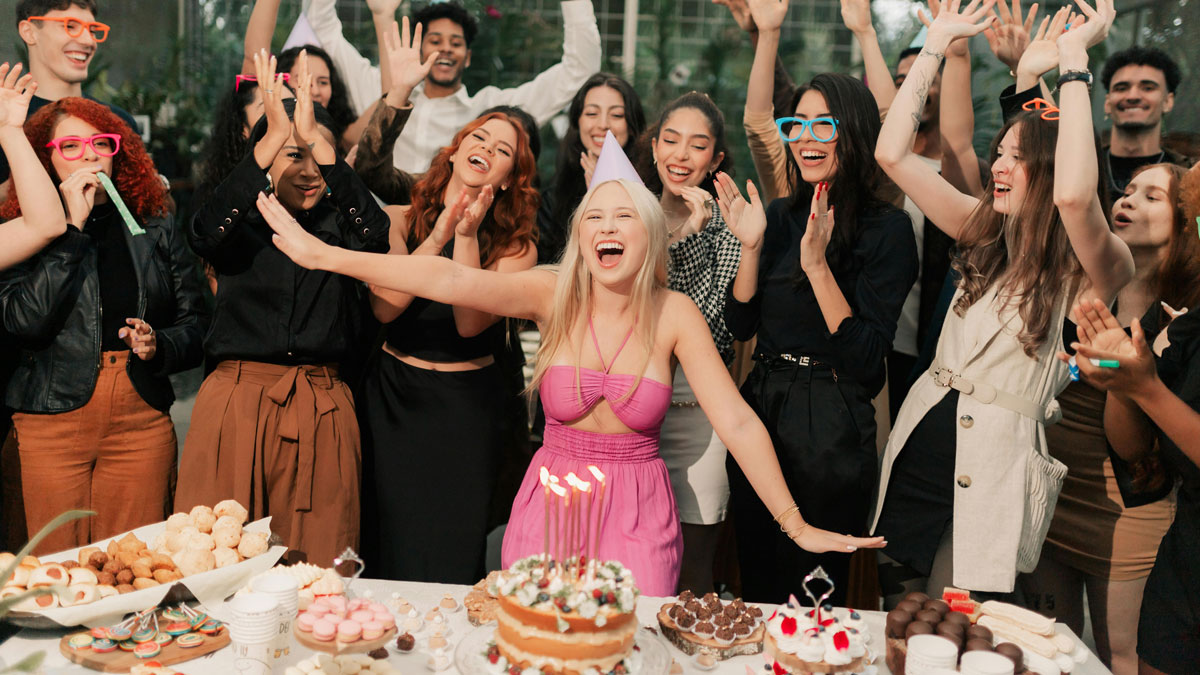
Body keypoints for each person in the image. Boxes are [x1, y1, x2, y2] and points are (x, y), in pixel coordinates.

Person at [258, 151, 886, 596]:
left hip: (639, 510)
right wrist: (325, 256)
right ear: (580, 234)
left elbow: (739, 423)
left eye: (622, 218)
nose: (607, 227)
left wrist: (794, 522)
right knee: (537, 650)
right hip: (550, 504)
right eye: (594, 217)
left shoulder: (675, 313)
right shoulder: (552, 291)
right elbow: (450, 278)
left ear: (648, 235)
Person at [871, 0, 1135, 599]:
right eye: (1000, 153)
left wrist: (1073, 67)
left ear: (1045, 169)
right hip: (922, 442)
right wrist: (934, 45)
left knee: (954, 629)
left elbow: (1071, 196)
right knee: (897, 618)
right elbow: (891, 155)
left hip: (992, 467)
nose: (1000, 167)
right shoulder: (983, 228)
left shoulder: (1097, 262)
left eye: (1019, 159)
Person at [715, 0, 917, 606]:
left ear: (851, 133)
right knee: (754, 578)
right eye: (795, 124)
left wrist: (816, 265)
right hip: (762, 407)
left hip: (832, 422)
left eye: (822, 124)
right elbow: (741, 322)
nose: (804, 138)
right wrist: (750, 247)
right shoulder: (778, 213)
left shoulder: (887, 230)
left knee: (813, 598)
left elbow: (864, 360)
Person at [176, 51, 390, 566]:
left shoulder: (344, 230)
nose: (310, 169)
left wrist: (321, 143)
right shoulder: (236, 226)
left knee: (320, 564)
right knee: (213, 560)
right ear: (267, 159)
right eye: (293, 155)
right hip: (236, 400)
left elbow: (378, 240)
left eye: (318, 153)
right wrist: (271, 138)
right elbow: (202, 233)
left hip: (321, 403)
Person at [351, 20, 539, 583]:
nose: (487, 148)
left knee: (452, 546)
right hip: (391, 399)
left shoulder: (515, 244)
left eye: (502, 149)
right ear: (455, 152)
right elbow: (385, 311)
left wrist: (465, 236)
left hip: (464, 409)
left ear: (507, 178)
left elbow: (470, 322)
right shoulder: (404, 215)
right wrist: (436, 233)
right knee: (382, 543)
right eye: (478, 138)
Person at [0, 84, 205, 552]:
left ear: (120, 153)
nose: (89, 157)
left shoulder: (154, 223)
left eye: (101, 144)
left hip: (140, 419)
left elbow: (196, 327)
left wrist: (160, 345)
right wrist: (70, 229)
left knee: (134, 568)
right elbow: (23, 322)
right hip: (51, 417)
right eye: (69, 146)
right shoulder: (24, 229)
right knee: (54, 571)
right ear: (43, 160)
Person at [1021, 163, 1193, 675]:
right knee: (1050, 650)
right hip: (1050, 491)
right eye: (1127, 189)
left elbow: (1138, 452)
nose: (1128, 200)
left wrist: (1123, 377)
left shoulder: (1184, 321)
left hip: (1129, 509)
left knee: (1125, 657)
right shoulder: (1078, 283)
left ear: (1186, 222)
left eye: (1153, 196)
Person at [1067, 184, 1200, 672]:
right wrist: (1122, 383)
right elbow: (1132, 449)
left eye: (1153, 196)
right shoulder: (1186, 323)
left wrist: (1146, 389)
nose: (1130, 202)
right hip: (1185, 556)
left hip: (1143, 526)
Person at [632, 91, 741, 593]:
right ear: (654, 147)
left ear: (716, 158)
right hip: (631, 413)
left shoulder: (727, 225)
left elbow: (713, 324)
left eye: (697, 146)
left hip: (701, 416)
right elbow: (632, 309)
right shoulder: (629, 214)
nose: (680, 155)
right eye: (670, 140)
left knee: (696, 565)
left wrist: (697, 234)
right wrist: (679, 238)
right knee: (632, 557)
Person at [306, 0, 601, 173]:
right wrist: (380, 12)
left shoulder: (489, 114)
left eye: (456, 43)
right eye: (435, 41)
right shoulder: (379, 87)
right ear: (418, 50)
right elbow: (322, 27)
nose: (445, 49)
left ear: (468, 57)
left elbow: (578, 71)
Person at [998, 42, 1192, 201]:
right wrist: (1025, 71)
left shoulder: (1189, 177)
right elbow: (1043, 137)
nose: (1133, 96)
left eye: (1148, 88)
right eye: (1122, 88)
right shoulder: (1079, 160)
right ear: (1107, 102)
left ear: (1168, 101)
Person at [2, 0, 141, 198]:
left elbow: (153, 208)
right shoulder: (6, 121)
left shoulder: (119, 121)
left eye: (92, 30)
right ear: (29, 32)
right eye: (70, 26)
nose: (88, 41)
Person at [537, 73, 645, 265]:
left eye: (617, 115)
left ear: (631, 125)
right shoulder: (553, 198)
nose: (603, 125)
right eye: (592, 113)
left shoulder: (649, 190)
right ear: (577, 122)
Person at [241, 0, 372, 152]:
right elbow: (254, 58)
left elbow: (389, 101)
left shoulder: (341, 140)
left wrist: (382, 17)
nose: (315, 91)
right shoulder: (266, 131)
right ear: (281, 83)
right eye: (303, 80)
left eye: (323, 82)